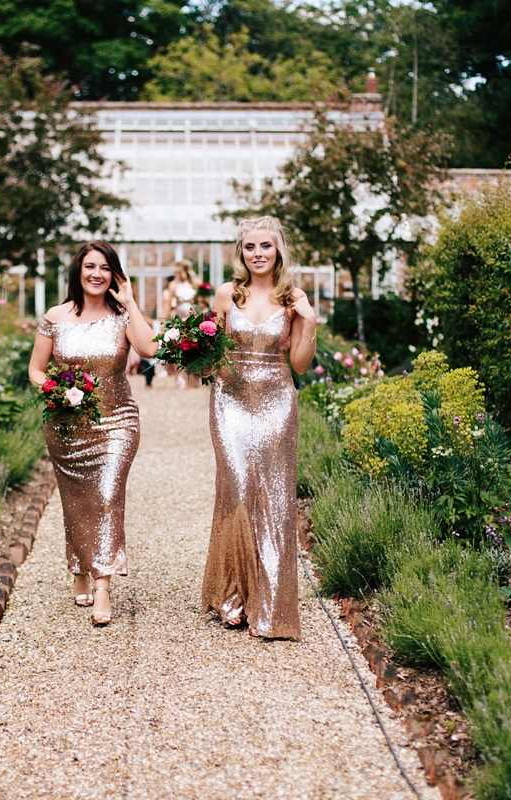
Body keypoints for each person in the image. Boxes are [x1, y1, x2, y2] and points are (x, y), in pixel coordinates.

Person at [200, 216, 317, 639]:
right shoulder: (228, 294)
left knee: (273, 495)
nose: (258, 254)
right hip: (229, 401)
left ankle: (268, 604)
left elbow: (300, 364)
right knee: (235, 488)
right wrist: (193, 351)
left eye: (265, 246)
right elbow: (213, 353)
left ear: (278, 250)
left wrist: (310, 322)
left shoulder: (294, 298)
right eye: (250, 247)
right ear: (241, 253)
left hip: (276, 403)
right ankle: (232, 595)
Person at [28, 241, 156, 625]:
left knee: (106, 497)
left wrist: (131, 301)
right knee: (77, 500)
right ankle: (79, 568)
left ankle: (102, 584)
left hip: (118, 421)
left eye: (104, 267)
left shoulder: (121, 317)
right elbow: (36, 370)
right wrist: (54, 392)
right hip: (67, 425)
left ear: (114, 274)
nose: (96, 274)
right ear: (78, 272)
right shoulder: (56, 316)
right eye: (89, 267)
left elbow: (148, 348)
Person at [161, 260, 201, 388]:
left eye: (179, 272)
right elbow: (168, 304)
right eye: (176, 272)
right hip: (178, 319)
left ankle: (193, 377)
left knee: (194, 347)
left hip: (193, 319)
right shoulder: (173, 285)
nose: (177, 275)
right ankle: (180, 378)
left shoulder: (195, 283)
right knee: (179, 348)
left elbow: (201, 302)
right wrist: (165, 322)